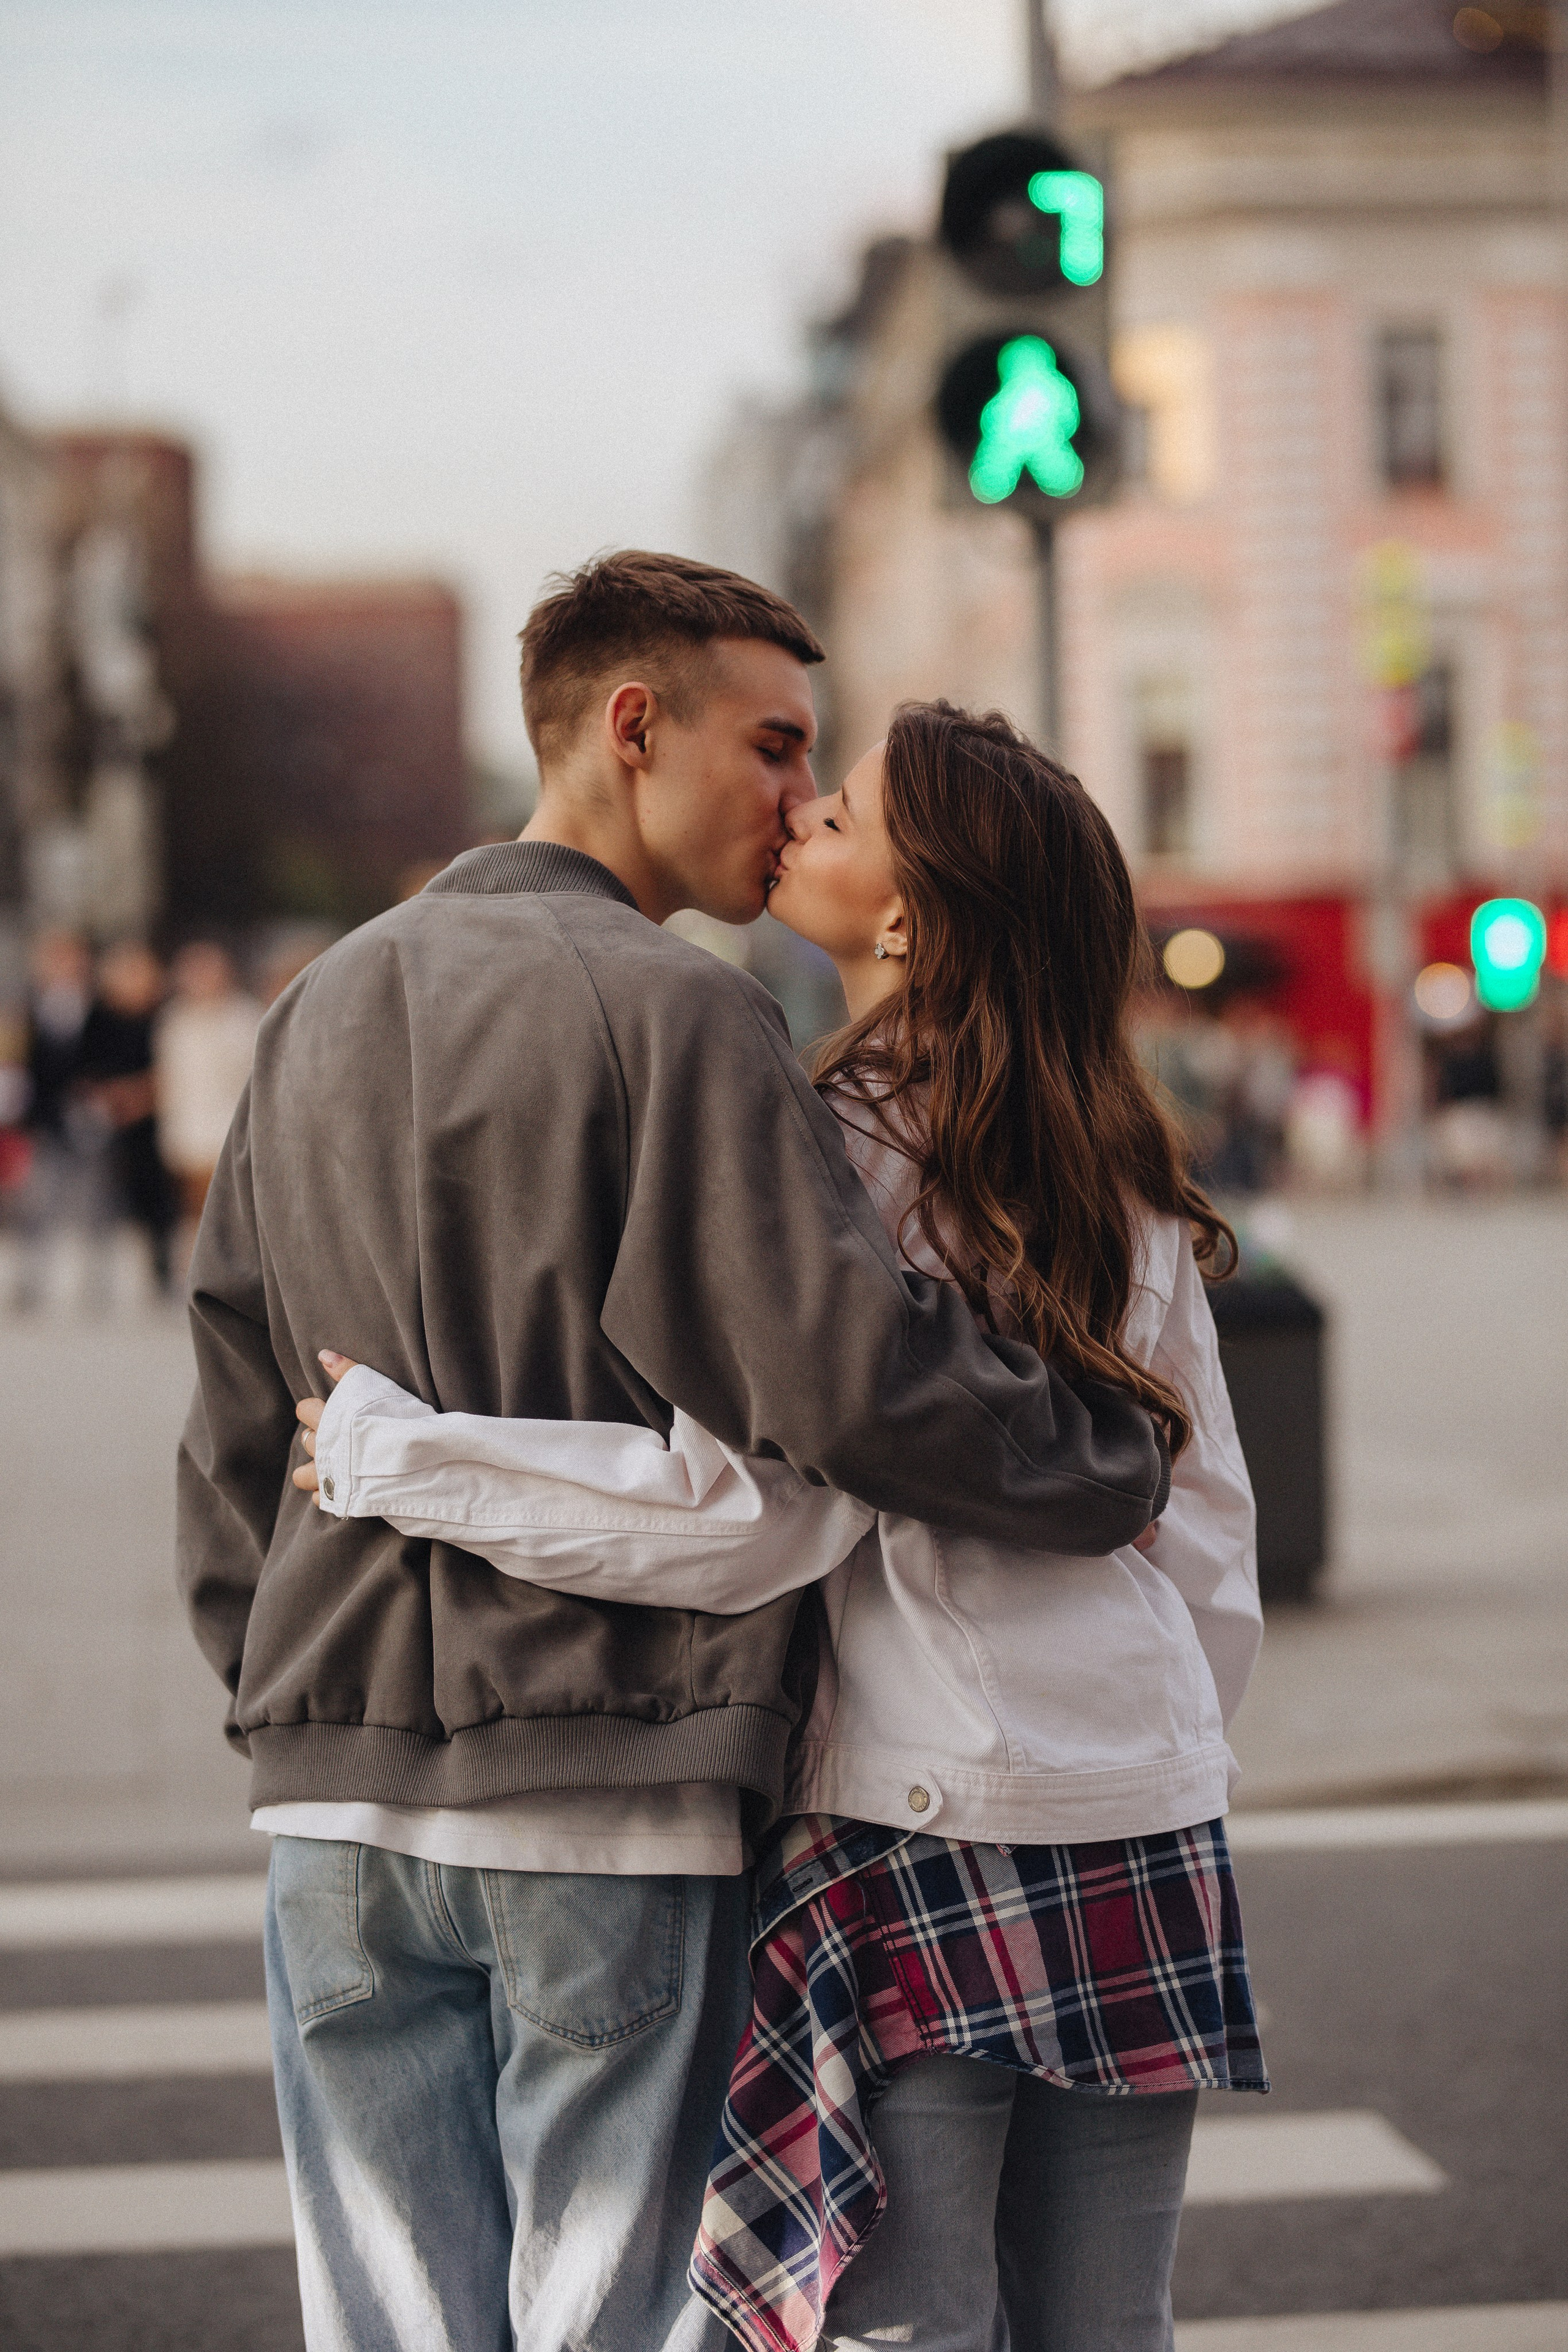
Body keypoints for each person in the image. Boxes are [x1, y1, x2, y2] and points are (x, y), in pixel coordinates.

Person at [176, 557, 1169, 2352]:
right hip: (607, 1784)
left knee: (384, 2318)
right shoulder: (681, 1010)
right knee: (606, 2316)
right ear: (634, 728)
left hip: (331, 1796)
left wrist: (285, 1677)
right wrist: (1095, 1455)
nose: (798, 802)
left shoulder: (315, 1004)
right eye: (776, 746)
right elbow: (853, 1382)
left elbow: (237, 1426)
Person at [79, 941, 178, 1296]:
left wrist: (141, 1095)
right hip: (110, 1121)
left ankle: (162, 1272)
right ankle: (99, 1276)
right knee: (103, 1196)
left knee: (159, 1201)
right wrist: (109, 1097)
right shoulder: (99, 1016)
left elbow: (176, 1065)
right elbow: (84, 1066)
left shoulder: (164, 1014)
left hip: (157, 1121)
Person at [156, 940, 262, 1226]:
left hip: (233, 1132)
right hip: (190, 1135)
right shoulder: (175, 1020)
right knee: (197, 1216)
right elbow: (173, 1082)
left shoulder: (245, 1018)